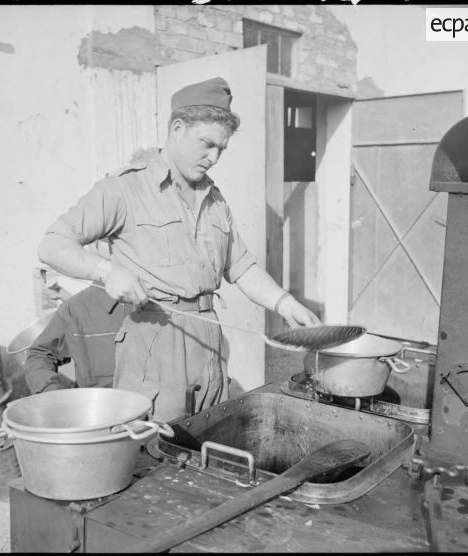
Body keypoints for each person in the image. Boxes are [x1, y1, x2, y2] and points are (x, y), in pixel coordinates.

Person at [37, 76, 320, 421]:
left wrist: (284, 302)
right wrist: (106, 270)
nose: (214, 157)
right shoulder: (124, 189)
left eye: (221, 149)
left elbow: (242, 268)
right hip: (154, 340)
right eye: (207, 144)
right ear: (178, 128)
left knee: (211, 439)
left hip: (208, 339)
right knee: (157, 450)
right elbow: (53, 244)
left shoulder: (215, 200)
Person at [25, 285, 133, 393]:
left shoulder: (147, 302)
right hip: (99, 405)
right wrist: (54, 396)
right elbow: (39, 354)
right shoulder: (75, 308)